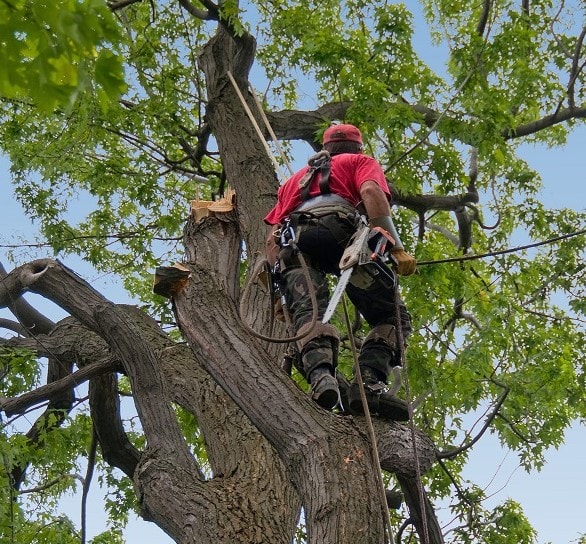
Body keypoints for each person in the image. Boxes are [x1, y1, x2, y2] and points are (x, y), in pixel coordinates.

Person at [264, 123, 416, 421]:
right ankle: (368, 384)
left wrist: (278, 296)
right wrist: (396, 247)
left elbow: (271, 239)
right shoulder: (360, 162)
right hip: (341, 235)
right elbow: (371, 191)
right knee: (392, 317)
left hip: (294, 245)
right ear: (357, 147)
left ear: (327, 148)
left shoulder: (294, 181)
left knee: (309, 315)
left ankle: (321, 378)